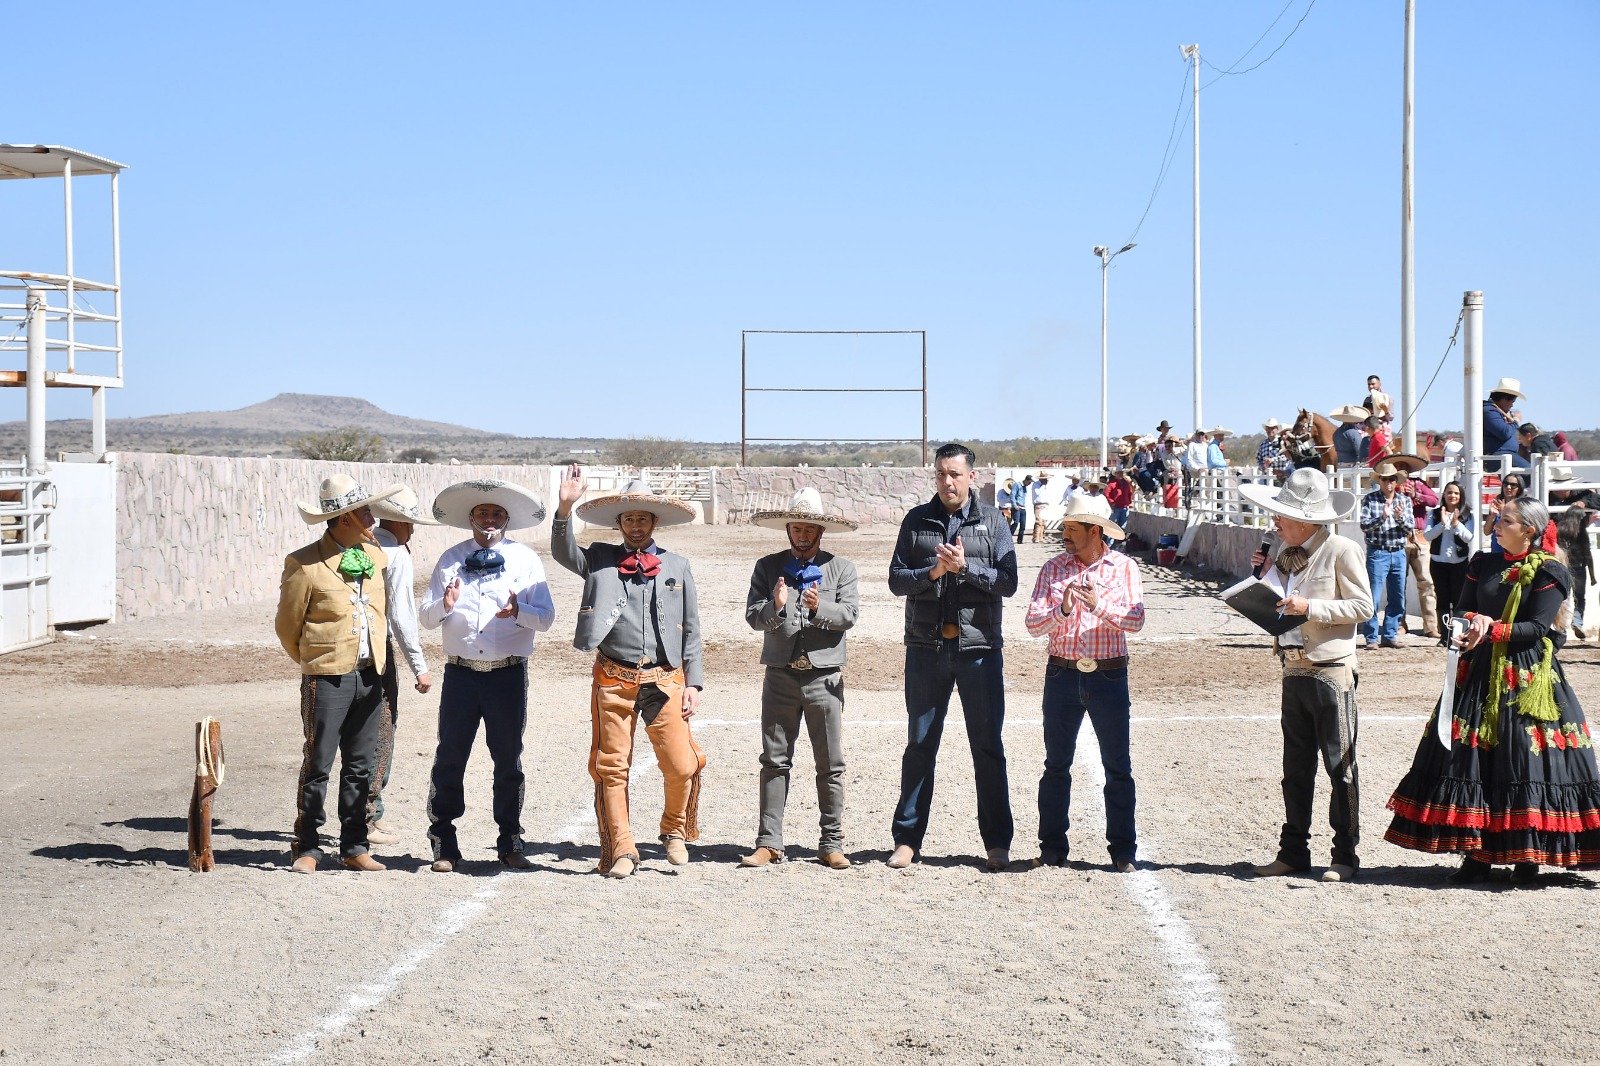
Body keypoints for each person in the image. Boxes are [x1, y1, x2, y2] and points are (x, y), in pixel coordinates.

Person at [1385, 496, 1600, 882]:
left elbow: (1536, 629)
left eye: (1505, 520)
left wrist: (1491, 628)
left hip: (1526, 677)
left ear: (1529, 531)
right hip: (1480, 671)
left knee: (1524, 759)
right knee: (1472, 759)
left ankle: (1527, 856)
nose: (1496, 525)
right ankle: (1476, 855)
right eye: (1498, 519)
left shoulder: (1549, 571)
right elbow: (1461, 608)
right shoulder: (1482, 563)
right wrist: (1473, 620)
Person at [552, 467, 707, 879]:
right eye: (629, 519)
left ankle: (673, 830)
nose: (636, 526)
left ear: (654, 522)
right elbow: (563, 551)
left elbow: (691, 628)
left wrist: (694, 682)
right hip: (614, 678)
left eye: (643, 518)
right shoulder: (599, 558)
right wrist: (565, 507)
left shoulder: (678, 565)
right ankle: (621, 848)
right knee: (612, 766)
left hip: (665, 678)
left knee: (680, 764)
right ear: (618, 523)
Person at [887, 442, 1019, 871]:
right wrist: (934, 572)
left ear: (970, 477)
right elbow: (896, 581)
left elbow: (1008, 582)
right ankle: (907, 839)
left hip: (979, 652)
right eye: (941, 474)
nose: (947, 481)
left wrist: (966, 570)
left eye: (955, 474)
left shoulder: (993, 520)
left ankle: (997, 843)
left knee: (987, 747)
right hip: (926, 650)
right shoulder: (916, 520)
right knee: (920, 745)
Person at [1240, 468, 1373, 882]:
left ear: (1305, 520)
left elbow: (1363, 607)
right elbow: (1281, 606)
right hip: (1294, 665)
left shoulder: (1341, 550)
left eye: (1280, 516)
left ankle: (1344, 855)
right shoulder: (1286, 557)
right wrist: (1261, 585)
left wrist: (1310, 608)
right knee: (1295, 768)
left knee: (1340, 765)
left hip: (1331, 668)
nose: (1275, 523)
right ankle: (1293, 850)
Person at [419, 479, 556, 873]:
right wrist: (444, 605)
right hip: (460, 676)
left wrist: (519, 613)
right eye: (483, 513)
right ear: (471, 518)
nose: (490, 519)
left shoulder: (526, 560)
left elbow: (546, 619)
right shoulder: (450, 559)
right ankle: (443, 841)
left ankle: (510, 841)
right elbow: (426, 619)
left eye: (497, 513)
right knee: (450, 756)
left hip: (507, 676)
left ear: (507, 519)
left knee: (508, 759)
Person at [274, 475, 402, 873]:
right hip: (328, 678)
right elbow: (287, 627)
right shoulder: (305, 563)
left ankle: (354, 845)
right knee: (318, 763)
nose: (372, 516)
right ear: (344, 518)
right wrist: (317, 662)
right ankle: (308, 845)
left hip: (370, 675)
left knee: (360, 764)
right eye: (365, 511)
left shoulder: (376, 558)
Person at [1023, 494, 1145, 872]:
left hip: (1109, 674)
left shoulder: (1124, 568)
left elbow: (1136, 620)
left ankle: (1123, 850)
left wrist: (1097, 606)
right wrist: (1062, 609)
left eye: (1072, 529)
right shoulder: (1052, 568)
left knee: (1118, 766)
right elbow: (1032, 625)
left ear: (1095, 531)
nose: (1065, 535)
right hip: (1061, 673)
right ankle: (1052, 847)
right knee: (1056, 765)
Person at [739, 488, 860, 870]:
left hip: (824, 676)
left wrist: (819, 606)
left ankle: (831, 841)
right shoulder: (766, 566)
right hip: (780, 675)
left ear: (820, 530)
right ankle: (769, 842)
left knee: (831, 764)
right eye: (797, 528)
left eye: (810, 528)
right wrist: (775, 607)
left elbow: (850, 615)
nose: (804, 535)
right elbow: (752, 616)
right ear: (788, 529)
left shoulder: (841, 569)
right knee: (774, 760)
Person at [365, 486, 437, 847]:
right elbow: (402, 616)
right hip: (377, 653)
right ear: (399, 522)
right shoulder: (394, 553)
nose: (413, 530)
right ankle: (368, 815)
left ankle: (359, 814)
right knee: (381, 728)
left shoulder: (359, 544)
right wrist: (419, 667)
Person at [1359, 458, 1413, 650]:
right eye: (1384, 479)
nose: (1388, 483)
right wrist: (1382, 517)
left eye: (1391, 479)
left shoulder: (1405, 501)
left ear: (1396, 481)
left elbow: (1409, 529)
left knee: (1397, 597)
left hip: (1398, 552)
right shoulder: (1370, 499)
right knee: (1372, 597)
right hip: (1378, 552)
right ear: (1379, 481)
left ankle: (1389, 635)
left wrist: (1398, 518)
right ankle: (1372, 637)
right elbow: (1364, 525)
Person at [1388, 454, 1440, 640]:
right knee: (1398, 583)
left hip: (1418, 537)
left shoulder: (1417, 484)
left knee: (1426, 582)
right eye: (1398, 465)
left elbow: (1434, 501)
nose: (1402, 468)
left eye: (1404, 466)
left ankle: (1430, 625)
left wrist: (1415, 495)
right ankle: (1399, 624)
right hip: (1398, 538)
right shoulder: (1389, 485)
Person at [1424, 481, 1474, 647]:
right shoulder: (1435, 514)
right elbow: (1428, 536)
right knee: (1443, 599)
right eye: (1449, 492)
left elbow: (1469, 537)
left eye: (1456, 493)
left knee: (1459, 599)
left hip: (1459, 563)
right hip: (1439, 563)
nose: (1452, 496)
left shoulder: (1467, 514)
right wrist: (1442, 524)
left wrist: (1456, 524)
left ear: (1461, 496)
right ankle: (1444, 635)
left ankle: (1458, 635)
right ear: (1444, 495)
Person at [1555, 504, 1594, 640]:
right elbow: (1587, 554)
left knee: (1564, 598)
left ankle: (1561, 627)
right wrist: (1592, 575)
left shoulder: (1559, 530)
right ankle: (1577, 622)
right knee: (1579, 598)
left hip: (1562, 567)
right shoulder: (1581, 532)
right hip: (1579, 567)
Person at [1482, 377, 1527, 470]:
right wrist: (1516, 422)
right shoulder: (1489, 411)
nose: (1512, 405)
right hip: (1499, 455)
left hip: (1504, 455)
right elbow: (1504, 432)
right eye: (1512, 401)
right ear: (1504, 399)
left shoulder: (1493, 411)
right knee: (1530, 472)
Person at [1485, 471, 1528, 551]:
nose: (1508, 487)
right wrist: (1492, 516)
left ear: (1519, 488)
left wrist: (1504, 511)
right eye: (1505, 484)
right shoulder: (1498, 502)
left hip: (1513, 551)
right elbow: (1486, 532)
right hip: (1497, 551)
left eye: (1513, 485)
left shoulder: (1522, 505)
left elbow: (1520, 528)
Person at [1030, 472, 1052, 544]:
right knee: (1038, 521)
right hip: (1038, 504)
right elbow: (1037, 493)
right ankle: (1036, 537)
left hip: (1045, 504)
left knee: (1043, 522)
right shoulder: (1036, 485)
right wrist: (1043, 486)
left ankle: (1041, 537)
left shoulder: (1047, 486)